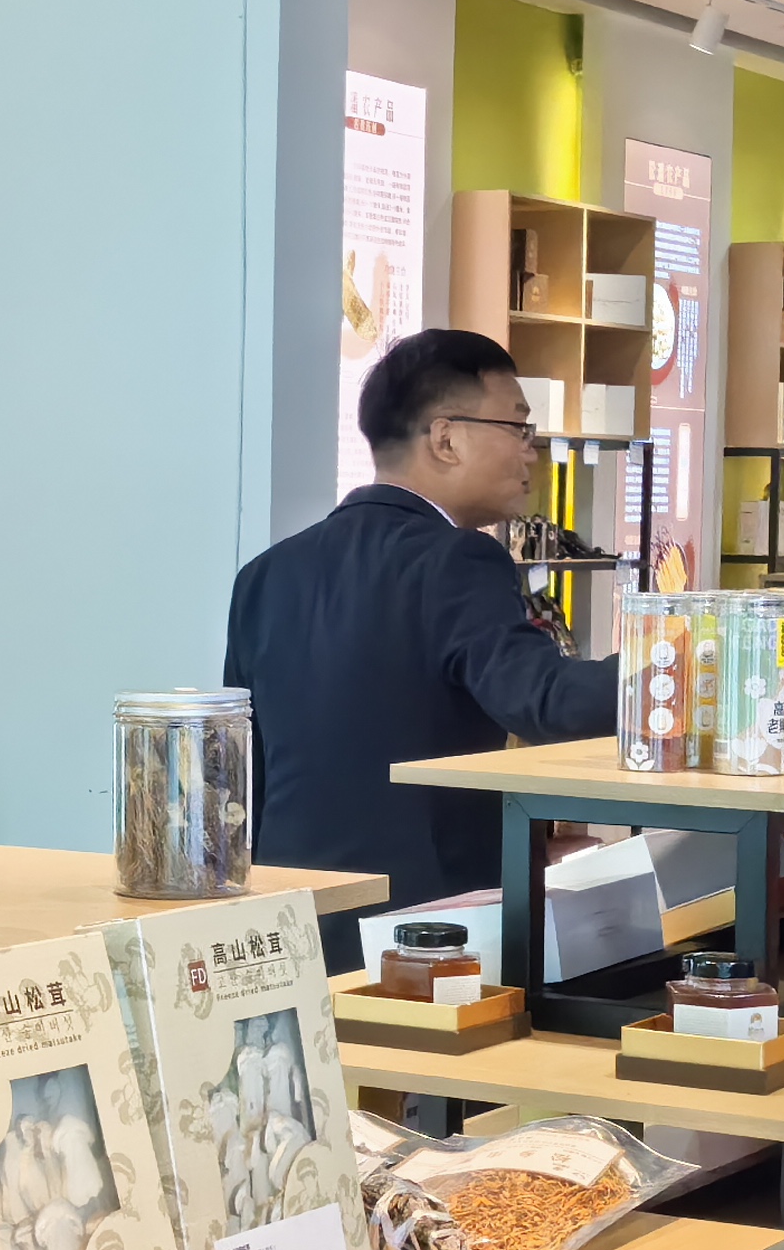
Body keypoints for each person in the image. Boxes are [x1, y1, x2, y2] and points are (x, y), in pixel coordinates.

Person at [223, 330, 615, 945]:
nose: (530, 453)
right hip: (429, 928)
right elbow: (544, 700)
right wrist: (678, 669)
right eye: (518, 427)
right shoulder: (458, 558)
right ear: (446, 438)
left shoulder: (265, 574)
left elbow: (247, 770)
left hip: (290, 918)